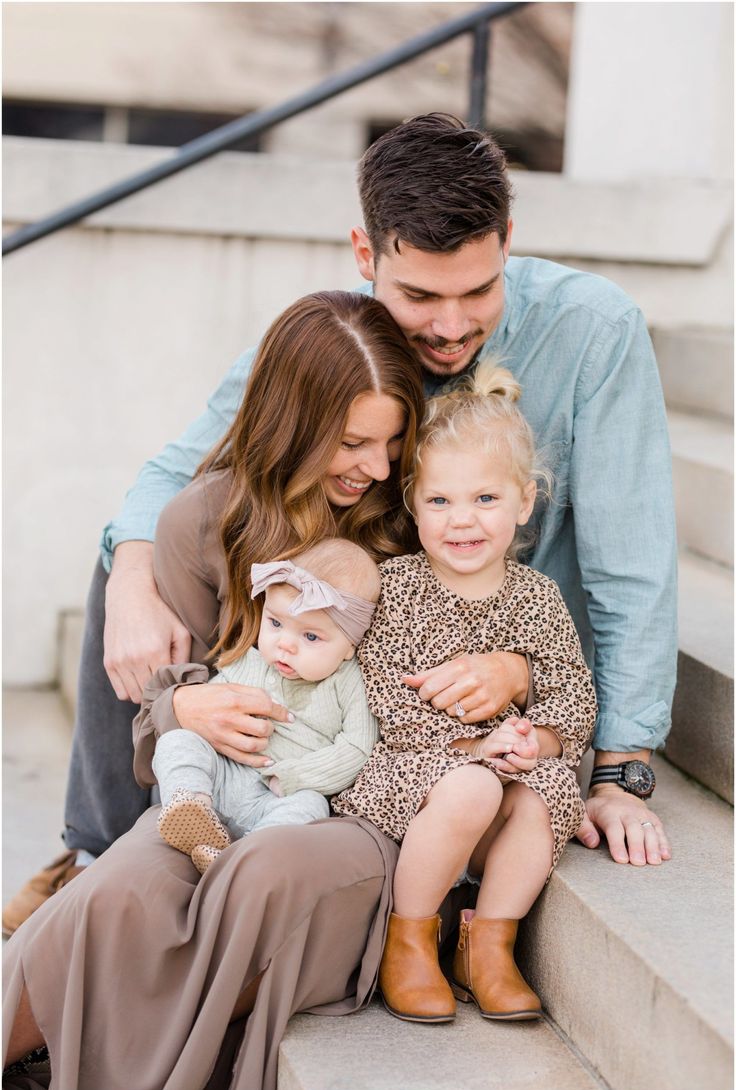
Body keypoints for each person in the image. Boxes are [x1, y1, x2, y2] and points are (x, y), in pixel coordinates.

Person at [5, 116, 674, 906]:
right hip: (349, 631)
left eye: (479, 291)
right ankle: (97, 853)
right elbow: (172, 473)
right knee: (134, 555)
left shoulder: (595, 332)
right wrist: (130, 578)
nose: (452, 328)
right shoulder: (333, 337)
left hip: (490, 658)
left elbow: (630, 566)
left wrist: (621, 769)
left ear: (508, 242)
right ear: (366, 255)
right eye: (421, 296)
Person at [3, 288, 426, 1090]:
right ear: (293, 425)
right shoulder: (201, 521)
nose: (376, 465)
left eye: (394, 440)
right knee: (119, 886)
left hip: (348, 806)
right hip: (222, 791)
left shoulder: (405, 519)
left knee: (257, 875)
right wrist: (183, 709)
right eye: (352, 442)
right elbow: (164, 700)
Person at [333, 363, 596, 1023]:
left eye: (486, 499)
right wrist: (477, 747)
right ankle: (412, 939)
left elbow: (573, 691)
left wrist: (537, 740)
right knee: (474, 785)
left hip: (507, 778)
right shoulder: (396, 587)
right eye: (441, 502)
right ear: (413, 504)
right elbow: (385, 704)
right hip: (409, 779)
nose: (463, 522)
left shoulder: (537, 597)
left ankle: (489, 945)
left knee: (552, 790)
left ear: (524, 501)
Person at [148, 539, 381, 873]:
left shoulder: (348, 683)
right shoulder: (250, 662)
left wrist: (292, 777)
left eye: (311, 637)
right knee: (178, 741)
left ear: (348, 647)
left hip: (278, 798)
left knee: (312, 806)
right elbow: (210, 713)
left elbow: (358, 748)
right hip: (224, 776)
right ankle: (190, 805)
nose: (284, 644)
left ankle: (240, 856)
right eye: (275, 623)